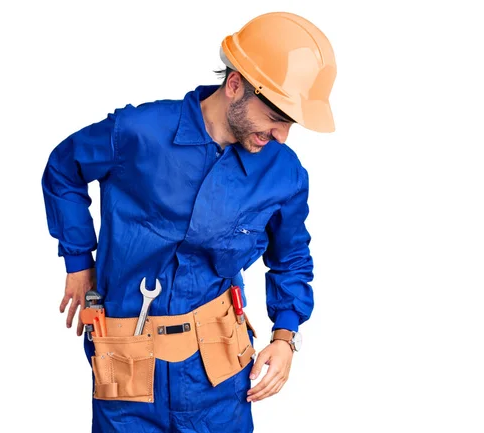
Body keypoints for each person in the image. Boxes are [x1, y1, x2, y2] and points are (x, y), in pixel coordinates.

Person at [41, 11, 336, 433]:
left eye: (289, 124)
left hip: (218, 376)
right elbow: (63, 169)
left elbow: (290, 257)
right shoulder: (139, 133)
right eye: (275, 119)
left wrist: (286, 337)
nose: (281, 137)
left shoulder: (283, 173)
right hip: (126, 366)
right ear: (235, 85)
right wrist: (77, 262)